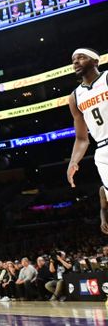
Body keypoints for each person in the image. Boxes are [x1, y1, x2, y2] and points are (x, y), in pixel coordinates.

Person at [65, 48, 108, 233]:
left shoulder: (106, 78)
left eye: (81, 57)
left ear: (95, 62)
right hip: (103, 151)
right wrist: (73, 161)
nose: (75, 62)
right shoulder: (75, 97)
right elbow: (82, 138)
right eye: (73, 59)